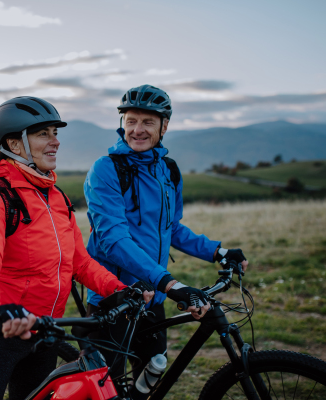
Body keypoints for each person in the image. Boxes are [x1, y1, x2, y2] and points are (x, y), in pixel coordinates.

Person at [0, 96, 153, 400]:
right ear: (15, 144)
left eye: (55, 133)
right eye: (43, 134)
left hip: (45, 331)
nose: (55, 142)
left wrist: (117, 289)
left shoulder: (56, 197)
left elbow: (80, 262)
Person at [83, 84, 248, 397]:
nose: (138, 130)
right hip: (114, 300)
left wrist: (218, 251)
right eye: (131, 121)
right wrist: (168, 282)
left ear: (164, 126)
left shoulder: (168, 171)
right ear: (122, 123)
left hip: (153, 301)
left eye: (147, 122)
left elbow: (171, 228)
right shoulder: (106, 170)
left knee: (149, 385)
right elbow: (112, 238)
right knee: (107, 393)